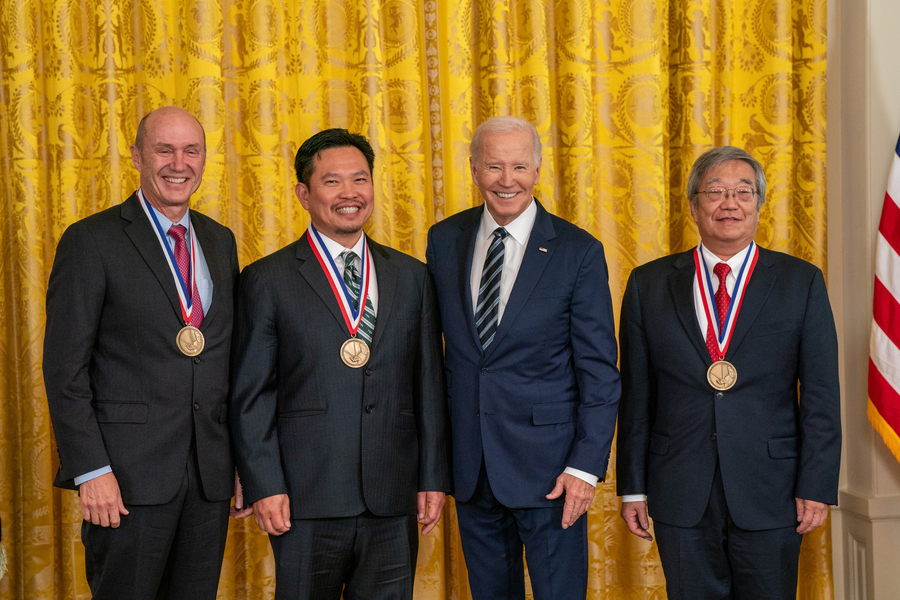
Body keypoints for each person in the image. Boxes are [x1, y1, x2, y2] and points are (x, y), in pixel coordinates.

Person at [229, 128, 451, 599]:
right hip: (304, 497)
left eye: (361, 179)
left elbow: (428, 384)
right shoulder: (266, 279)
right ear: (304, 194)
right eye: (332, 182)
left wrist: (432, 475)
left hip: (391, 496)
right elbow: (251, 394)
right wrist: (264, 483)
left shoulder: (412, 276)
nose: (350, 194)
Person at [617, 146, 841, 599]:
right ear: (694, 205)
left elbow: (821, 394)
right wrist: (632, 488)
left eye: (743, 192)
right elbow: (637, 396)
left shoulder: (801, 281)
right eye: (715, 192)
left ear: (759, 204)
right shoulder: (648, 283)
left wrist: (816, 485)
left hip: (772, 489)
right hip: (680, 486)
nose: (729, 203)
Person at [43, 106, 248, 600]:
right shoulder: (90, 240)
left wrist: (243, 462)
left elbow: (227, 362)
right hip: (125, 480)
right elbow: (64, 369)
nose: (179, 163)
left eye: (191, 150)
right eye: (164, 149)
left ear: (204, 158)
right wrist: (91, 471)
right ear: (137, 155)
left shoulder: (220, 241)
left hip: (207, 479)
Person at [425, 116, 621, 599]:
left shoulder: (578, 251)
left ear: (537, 170)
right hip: (472, 466)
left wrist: (584, 468)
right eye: (494, 166)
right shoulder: (444, 239)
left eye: (518, 166)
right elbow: (434, 358)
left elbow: (599, 372)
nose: (506, 180)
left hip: (552, 473)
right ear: (474, 169)